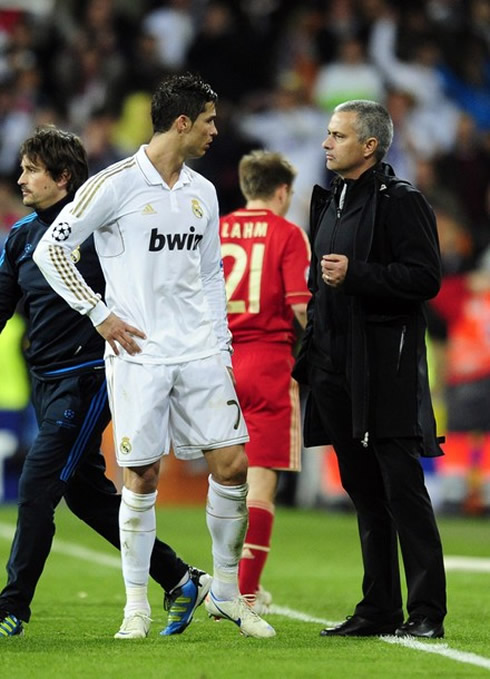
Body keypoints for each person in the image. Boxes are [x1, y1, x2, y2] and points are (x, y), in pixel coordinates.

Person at [33, 74, 275, 640]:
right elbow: (53, 250)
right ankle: (136, 605)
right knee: (140, 475)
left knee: (233, 465)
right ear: (183, 122)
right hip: (140, 355)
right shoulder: (114, 184)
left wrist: (220, 341)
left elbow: (211, 271)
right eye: (210, 120)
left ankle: (228, 593)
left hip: (200, 351)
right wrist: (99, 314)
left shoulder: (204, 190)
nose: (218, 130)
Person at [0, 125, 212, 639]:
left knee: (36, 485)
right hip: (45, 382)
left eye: (32, 169)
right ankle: (181, 579)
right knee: (83, 493)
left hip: (91, 376)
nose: (21, 178)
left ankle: (11, 607)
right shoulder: (23, 236)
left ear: (64, 177)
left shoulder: (105, 233)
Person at [292, 100, 447, 639]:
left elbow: (425, 278)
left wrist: (359, 275)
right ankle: (378, 608)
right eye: (327, 133)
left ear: (369, 146)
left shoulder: (401, 202)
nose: (325, 143)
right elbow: (319, 289)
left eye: (337, 134)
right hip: (335, 367)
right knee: (363, 490)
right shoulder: (330, 200)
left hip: (385, 368)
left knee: (403, 490)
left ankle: (426, 612)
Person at [219, 150, 311, 612]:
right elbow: (299, 304)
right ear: (282, 191)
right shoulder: (289, 234)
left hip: (220, 364)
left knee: (224, 482)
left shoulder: (215, 230)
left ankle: (222, 586)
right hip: (269, 361)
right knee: (260, 484)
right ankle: (246, 592)